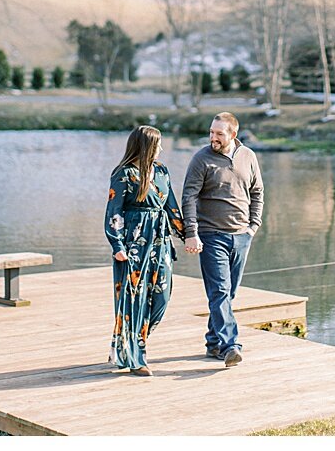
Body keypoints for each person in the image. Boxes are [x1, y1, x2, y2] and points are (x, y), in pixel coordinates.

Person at [182, 112, 264, 368]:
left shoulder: (248, 156)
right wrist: (191, 232)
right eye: (211, 132)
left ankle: (213, 342)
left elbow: (257, 191)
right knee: (219, 292)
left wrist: (253, 226)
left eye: (219, 134)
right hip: (211, 235)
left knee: (229, 294)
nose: (213, 138)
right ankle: (231, 346)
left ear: (233, 135)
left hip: (241, 236)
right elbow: (188, 197)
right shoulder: (201, 159)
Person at [104, 125, 186, 376]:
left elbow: (171, 206)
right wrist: (118, 246)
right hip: (134, 245)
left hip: (160, 242)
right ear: (146, 146)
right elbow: (113, 212)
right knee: (133, 302)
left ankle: (124, 345)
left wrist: (188, 235)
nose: (161, 148)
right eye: (158, 144)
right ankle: (135, 357)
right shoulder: (124, 174)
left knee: (162, 296)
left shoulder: (162, 171)